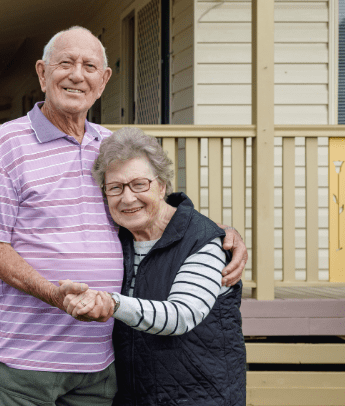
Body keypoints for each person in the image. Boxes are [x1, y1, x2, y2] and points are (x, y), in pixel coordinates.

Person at [0, 26, 247, 406]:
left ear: (104, 80)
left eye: (89, 66)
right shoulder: (8, 142)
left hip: (100, 361)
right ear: (42, 73)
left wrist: (219, 234)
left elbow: (151, 209)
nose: (76, 75)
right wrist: (55, 295)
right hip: (26, 360)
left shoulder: (111, 146)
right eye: (65, 63)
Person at [61, 127, 246, 406]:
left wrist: (112, 304)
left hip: (199, 397)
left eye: (139, 184)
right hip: (133, 395)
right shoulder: (115, 239)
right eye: (115, 187)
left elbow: (181, 315)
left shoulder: (204, 242)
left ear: (161, 186)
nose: (127, 198)